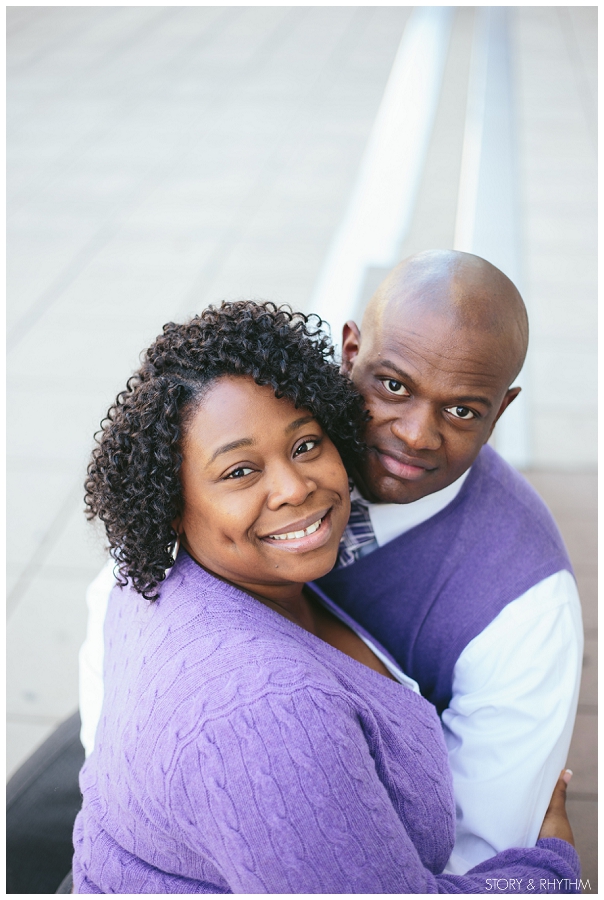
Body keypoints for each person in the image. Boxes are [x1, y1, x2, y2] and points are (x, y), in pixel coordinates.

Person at [73, 301, 579, 893]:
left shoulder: (225, 578)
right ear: (172, 504)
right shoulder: (262, 718)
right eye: (239, 472)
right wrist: (549, 869)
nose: (294, 488)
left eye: (306, 445)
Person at [315, 249, 583, 872]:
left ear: (501, 412)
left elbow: (476, 860)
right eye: (393, 385)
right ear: (350, 351)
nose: (415, 434)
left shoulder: (527, 608)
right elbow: (125, 590)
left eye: (462, 410)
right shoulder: (270, 433)